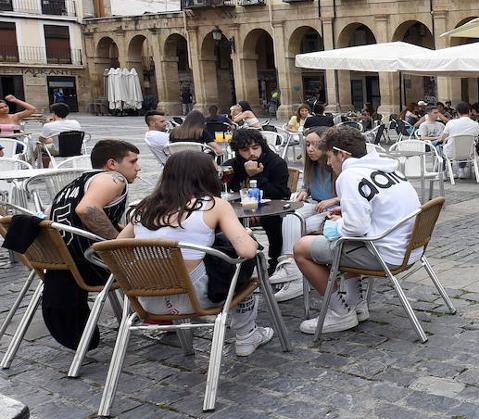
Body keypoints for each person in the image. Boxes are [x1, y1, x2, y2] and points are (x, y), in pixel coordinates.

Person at [121, 152, 273, 357]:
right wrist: (245, 235)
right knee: (251, 257)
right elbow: (246, 251)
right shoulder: (213, 205)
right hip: (195, 298)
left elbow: (117, 246)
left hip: (147, 299)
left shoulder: (144, 207)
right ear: (206, 176)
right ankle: (246, 333)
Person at [292, 125, 421, 334]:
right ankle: (357, 304)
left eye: (330, 157)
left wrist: (336, 223)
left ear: (342, 155)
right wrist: (346, 218)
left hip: (386, 255)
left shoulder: (350, 175)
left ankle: (340, 313)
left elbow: (355, 228)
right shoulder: (387, 168)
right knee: (349, 241)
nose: (328, 163)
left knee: (301, 248)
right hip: (410, 249)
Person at [43, 140, 142, 350]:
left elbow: (48, 214)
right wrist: (118, 243)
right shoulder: (114, 179)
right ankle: (165, 317)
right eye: (132, 161)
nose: (138, 167)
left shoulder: (76, 183)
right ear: (112, 164)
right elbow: (87, 210)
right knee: (164, 260)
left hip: (63, 265)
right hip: (90, 264)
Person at [271, 127, 338, 300]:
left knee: (305, 225)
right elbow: (307, 185)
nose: (310, 149)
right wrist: (304, 190)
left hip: (335, 210)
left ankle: (297, 276)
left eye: (316, 145)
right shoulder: (311, 165)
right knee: (291, 214)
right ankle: (289, 264)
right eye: (308, 144)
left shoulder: (336, 165)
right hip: (315, 204)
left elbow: (351, 196)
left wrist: (335, 200)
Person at [223, 128, 291, 277]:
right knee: (226, 223)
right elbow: (224, 191)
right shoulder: (232, 165)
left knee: (272, 221)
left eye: (255, 148)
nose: (251, 153)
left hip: (270, 208)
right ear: (237, 151)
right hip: (240, 209)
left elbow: (281, 194)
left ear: (262, 146)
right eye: (245, 150)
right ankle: (244, 259)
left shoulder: (275, 163)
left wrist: (256, 177)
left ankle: (275, 260)